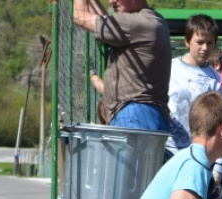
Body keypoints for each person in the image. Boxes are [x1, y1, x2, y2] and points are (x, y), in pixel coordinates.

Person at [164, 14, 222, 199]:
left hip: (200, 161)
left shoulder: (216, 82)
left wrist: (219, 166)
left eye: (210, 43)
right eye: (200, 42)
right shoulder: (169, 70)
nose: (204, 48)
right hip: (168, 154)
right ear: (187, 41)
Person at [73, 0, 171, 132]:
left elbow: (79, 17)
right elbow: (107, 22)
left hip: (134, 116)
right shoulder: (153, 19)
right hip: (146, 115)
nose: (111, 1)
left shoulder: (135, 23)